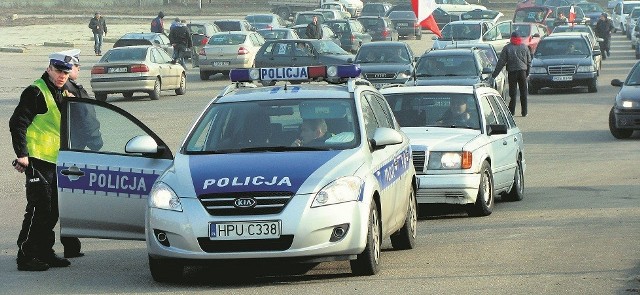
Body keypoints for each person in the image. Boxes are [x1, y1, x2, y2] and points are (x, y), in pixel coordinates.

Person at [9, 51, 78, 271]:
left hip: (57, 161)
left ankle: (45, 252)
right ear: (49, 68)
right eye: (58, 71)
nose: (62, 76)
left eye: (66, 72)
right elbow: (17, 123)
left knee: (53, 210)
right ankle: (26, 255)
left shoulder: (64, 92)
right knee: (41, 208)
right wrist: (22, 155)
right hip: (38, 160)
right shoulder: (36, 91)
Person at [59, 49, 104, 258]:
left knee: (65, 199)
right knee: (69, 199)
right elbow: (85, 118)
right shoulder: (69, 89)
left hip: (71, 149)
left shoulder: (67, 87)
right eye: (76, 66)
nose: (77, 69)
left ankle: (70, 245)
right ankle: (68, 246)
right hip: (73, 150)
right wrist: (96, 143)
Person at [491, 31, 532, 117]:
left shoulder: (507, 48)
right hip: (522, 72)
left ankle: (511, 112)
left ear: (511, 38)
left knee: (512, 94)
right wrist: (527, 73)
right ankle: (524, 112)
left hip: (512, 72)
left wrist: (494, 74)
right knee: (523, 92)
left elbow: (501, 62)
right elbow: (529, 62)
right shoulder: (524, 47)